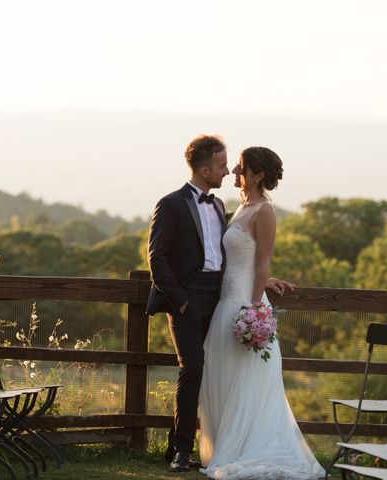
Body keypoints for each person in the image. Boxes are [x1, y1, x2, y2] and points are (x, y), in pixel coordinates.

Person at [146, 135, 294, 473]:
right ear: (203, 168)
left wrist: (261, 285)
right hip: (186, 303)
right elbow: (157, 258)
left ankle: (198, 446)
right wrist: (181, 302)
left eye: (235, 166)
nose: (230, 171)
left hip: (221, 302)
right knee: (195, 368)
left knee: (218, 372)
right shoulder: (171, 203)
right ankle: (182, 450)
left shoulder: (218, 205)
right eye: (223, 165)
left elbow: (241, 257)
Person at [198, 146, 325, 479]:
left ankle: (246, 450)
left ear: (256, 174)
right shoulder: (241, 207)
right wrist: (263, 280)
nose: (236, 172)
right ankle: (226, 445)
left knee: (247, 383)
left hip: (245, 307)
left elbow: (263, 260)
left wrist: (254, 312)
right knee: (222, 377)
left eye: (241, 167)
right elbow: (244, 260)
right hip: (225, 305)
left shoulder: (265, 211)